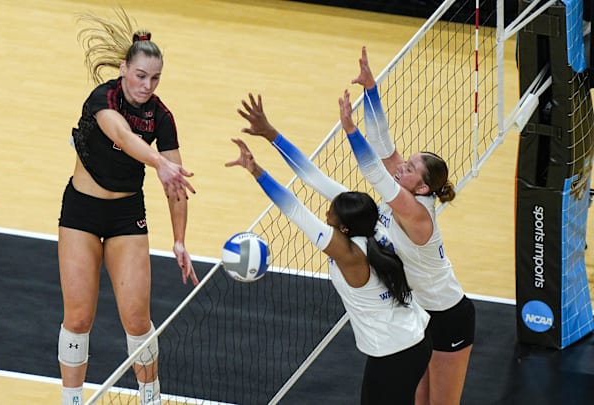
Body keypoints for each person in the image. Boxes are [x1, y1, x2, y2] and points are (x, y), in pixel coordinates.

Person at [57, 8, 199, 405]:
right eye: (140, 76)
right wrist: (159, 163)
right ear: (124, 69)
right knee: (79, 318)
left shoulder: (162, 116)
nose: (147, 85)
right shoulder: (102, 98)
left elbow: (175, 186)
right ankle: (71, 401)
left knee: (137, 321)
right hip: (81, 213)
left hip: (125, 216)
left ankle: (150, 398)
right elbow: (121, 134)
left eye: (155, 79)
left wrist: (180, 240)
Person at [226, 134, 431, 405]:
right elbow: (312, 175)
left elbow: (294, 209)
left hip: (395, 353)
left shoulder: (349, 255)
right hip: (409, 341)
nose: (327, 211)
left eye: (331, 211)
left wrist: (256, 172)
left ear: (343, 228)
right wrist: (270, 134)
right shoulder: (373, 225)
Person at [339, 46, 476, 405]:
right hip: (418, 317)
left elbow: (375, 172)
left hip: (448, 316)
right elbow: (385, 147)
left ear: (424, 187)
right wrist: (371, 91)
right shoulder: (407, 188)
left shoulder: (416, 213)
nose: (402, 166)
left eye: (411, 168)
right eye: (408, 161)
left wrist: (351, 132)